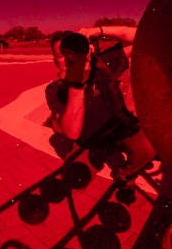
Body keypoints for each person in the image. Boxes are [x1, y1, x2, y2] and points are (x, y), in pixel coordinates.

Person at [46, 27, 154, 176]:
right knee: (77, 178)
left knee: (147, 148)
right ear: (55, 61)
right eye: (61, 55)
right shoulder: (55, 90)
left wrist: (99, 30)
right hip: (89, 142)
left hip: (117, 128)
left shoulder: (103, 64)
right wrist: (76, 84)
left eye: (73, 51)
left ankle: (124, 176)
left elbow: (143, 36)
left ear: (87, 51)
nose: (69, 58)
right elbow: (72, 132)